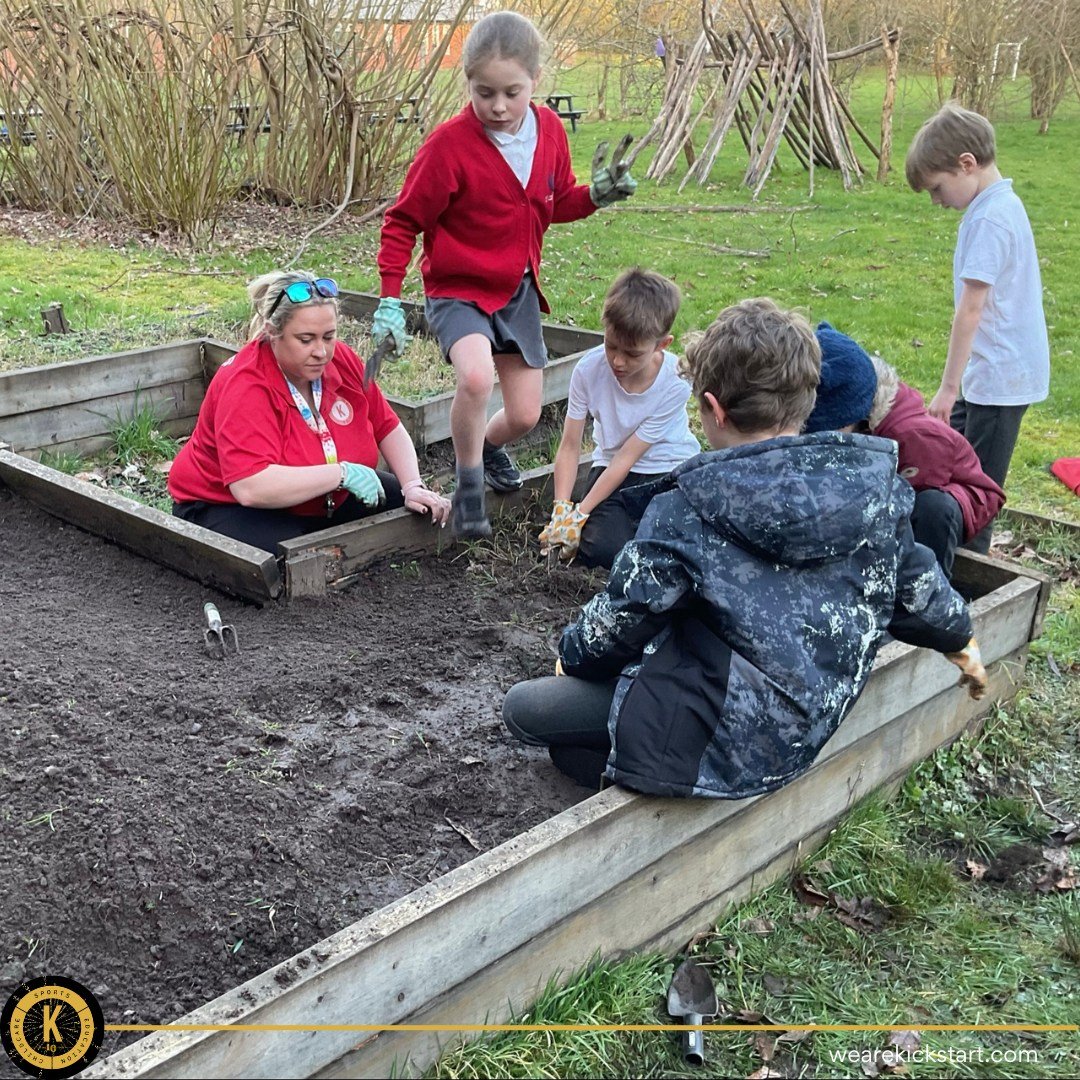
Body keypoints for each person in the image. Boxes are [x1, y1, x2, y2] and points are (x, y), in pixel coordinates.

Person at [503, 298, 987, 794]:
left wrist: (573, 656)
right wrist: (961, 639)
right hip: (814, 720)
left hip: (720, 743)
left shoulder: (687, 508)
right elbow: (918, 584)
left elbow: (622, 617)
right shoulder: (877, 493)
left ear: (712, 409)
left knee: (529, 711)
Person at [371, 10, 637, 541]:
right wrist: (389, 298)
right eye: (483, 91)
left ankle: (487, 447)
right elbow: (402, 221)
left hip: (516, 289)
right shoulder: (449, 146)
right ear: (467, 82)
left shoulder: (550, 131)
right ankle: (468, 484)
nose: (497, 106)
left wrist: (594, 198)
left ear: (535, 82)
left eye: (511, 92)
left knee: (525, 414)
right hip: (457, 287)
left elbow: (552, 204)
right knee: (473, 376)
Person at [168, 270, 450, 553]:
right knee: (293, 558)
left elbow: (386, 425)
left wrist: (412, 485)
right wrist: (341, 474)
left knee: (409, 511)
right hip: (225, 503)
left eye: (328, 336)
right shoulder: (245, 385)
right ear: (272, 333)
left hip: (323, 496)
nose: (321, 352)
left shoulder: (342, 359)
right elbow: (251, 487)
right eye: (306, 339)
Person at [905, 102, 1049, 552]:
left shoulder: (990, 217)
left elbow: (970, 310)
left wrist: (948, 389)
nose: (936, 200)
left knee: (979, 490)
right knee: (951, 457)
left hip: (1001, 378)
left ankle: (973, 573)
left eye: (937, 188)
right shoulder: (1000, 204)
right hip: (989, 374)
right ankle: (939, 546)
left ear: (966, 164)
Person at [804, 321, 1005, 578]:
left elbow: (896, 505)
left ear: (852, 415)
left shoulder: (912, 437)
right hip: (902, 481)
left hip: (946, 491)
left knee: (931, 510)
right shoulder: (861, 409)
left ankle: (927, 590)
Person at [539, 268, 699, 569]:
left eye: (632, 353)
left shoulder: (676, 381)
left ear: (662, 345)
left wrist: (582, 511)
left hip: (668, 469)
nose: (618, 361)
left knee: (678, 542)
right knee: (600, 551)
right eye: (610, 345)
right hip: (611, 468)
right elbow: (571, 445)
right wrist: (563, 509)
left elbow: (629, 456)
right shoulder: (588, 371)